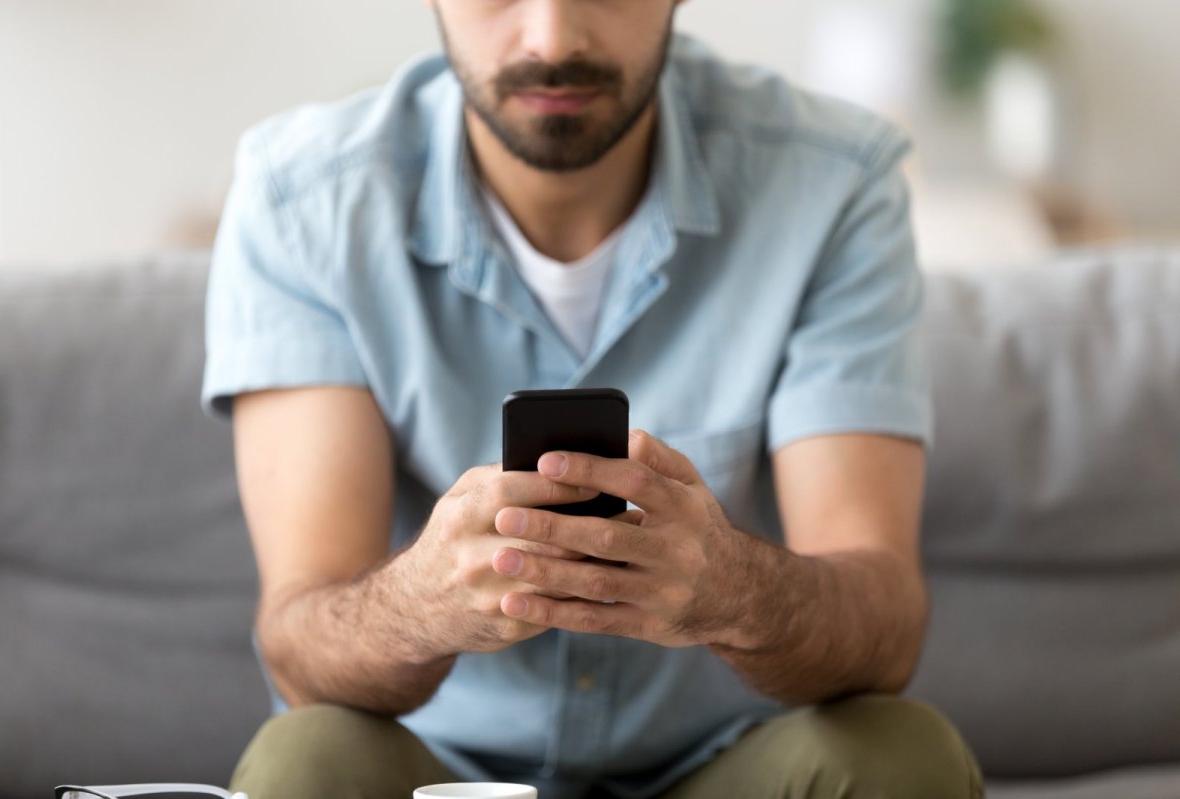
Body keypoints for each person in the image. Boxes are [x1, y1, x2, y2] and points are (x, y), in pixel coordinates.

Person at [200, 1, 983, 797]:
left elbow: (884, 631)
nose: (552, 39)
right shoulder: (302, 206)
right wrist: (420, 605)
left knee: (899, 755)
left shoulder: (833, 184)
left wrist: (732, 591)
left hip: (726, 763)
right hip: (444, 775)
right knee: (306, 762)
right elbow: (299, 647)